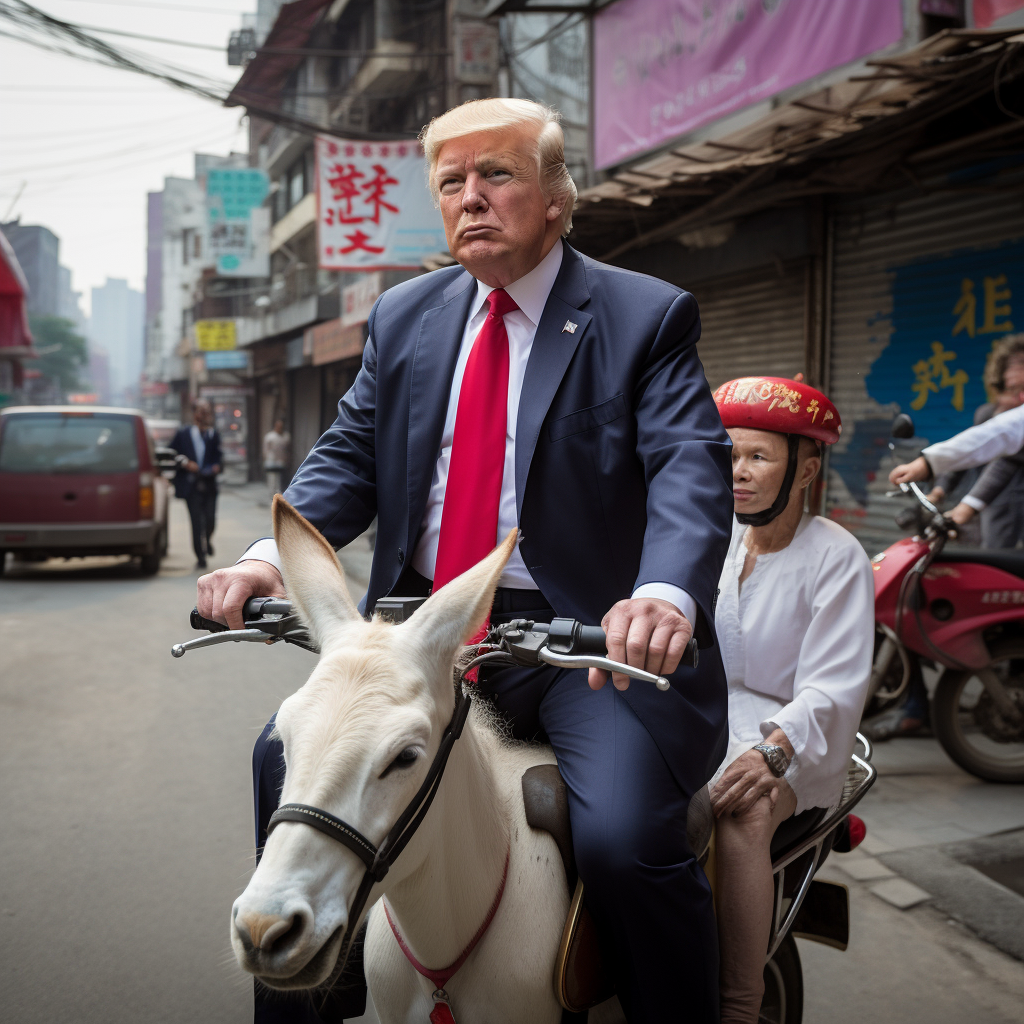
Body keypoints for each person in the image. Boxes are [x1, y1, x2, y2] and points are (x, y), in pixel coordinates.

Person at [197, 97, 733, 1022]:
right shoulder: (405, 316)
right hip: (422, 640)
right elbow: (349, 455)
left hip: (585, 651)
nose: (472, 198)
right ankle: (308, 1001)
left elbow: (690, 466)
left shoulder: (643, 316)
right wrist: (264, 562)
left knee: (621, 842)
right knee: (281, 761)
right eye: (452, 182)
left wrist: (661, 591)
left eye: (499, 176)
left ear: (558, 195)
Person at [709, 377, 874, 1024]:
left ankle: (740, 1003)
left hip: (796, 741)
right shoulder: (714, 536)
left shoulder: (837, 556)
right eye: (729, 455)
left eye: (758, 457)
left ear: (804, 470)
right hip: (706, 720)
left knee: (741, 817)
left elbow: (833, 688)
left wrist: (772, 755)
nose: (738, 474)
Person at [926, 334, 1024, 546]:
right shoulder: (987, 415)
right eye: (1014, 388)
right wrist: (939, 490)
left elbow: (1006, 462)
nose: (1020, 397)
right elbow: (966, 452)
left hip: (1007, 510)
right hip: (982, 510)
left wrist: (969, 505)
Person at [171, 399, 222, 570]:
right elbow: (172, 454)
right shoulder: (184, 434)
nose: (204, 414)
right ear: (194, 414)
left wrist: (217, 466)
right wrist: (186, 463)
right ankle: (200, 556)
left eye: (207, 411)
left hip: (209, 485)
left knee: (210, 520)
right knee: (196, 523)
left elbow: (219, 457)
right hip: (191, 486)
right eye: (201, 411)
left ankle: (207, 539)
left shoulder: (213, 435)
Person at [262, 417, 290, 499]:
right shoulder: (270, 436)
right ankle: (272, 494)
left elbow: (287, 449)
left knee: (280, 479)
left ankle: (279, 494)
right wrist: (266, 458)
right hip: (271, 460)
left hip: (281, 460)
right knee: (272, 479)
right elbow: (266, 449)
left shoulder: (285, 436)